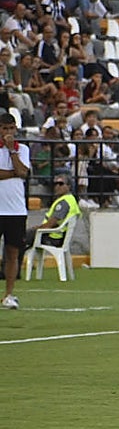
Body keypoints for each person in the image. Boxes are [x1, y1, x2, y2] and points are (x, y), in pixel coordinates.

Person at [0, 111, 29, 308]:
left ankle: (9, 294)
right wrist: (14, 173)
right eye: (4, 129)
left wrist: (12, 152)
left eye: (11, 128)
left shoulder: (22, 149)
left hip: (16, 209)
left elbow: (23, 172)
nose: (8, 132)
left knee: (12, 253)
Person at [25, 172, 78, 261]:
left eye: (61, 184)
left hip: (53, 237)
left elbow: (50, 224)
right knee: (21, 239)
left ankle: (12, 268)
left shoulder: (63, 203)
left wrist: (37, 229)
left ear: (68, 186)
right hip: (57, 236)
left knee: (16, 240)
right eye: (55, 184)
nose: (57, 186)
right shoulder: (71, 199)